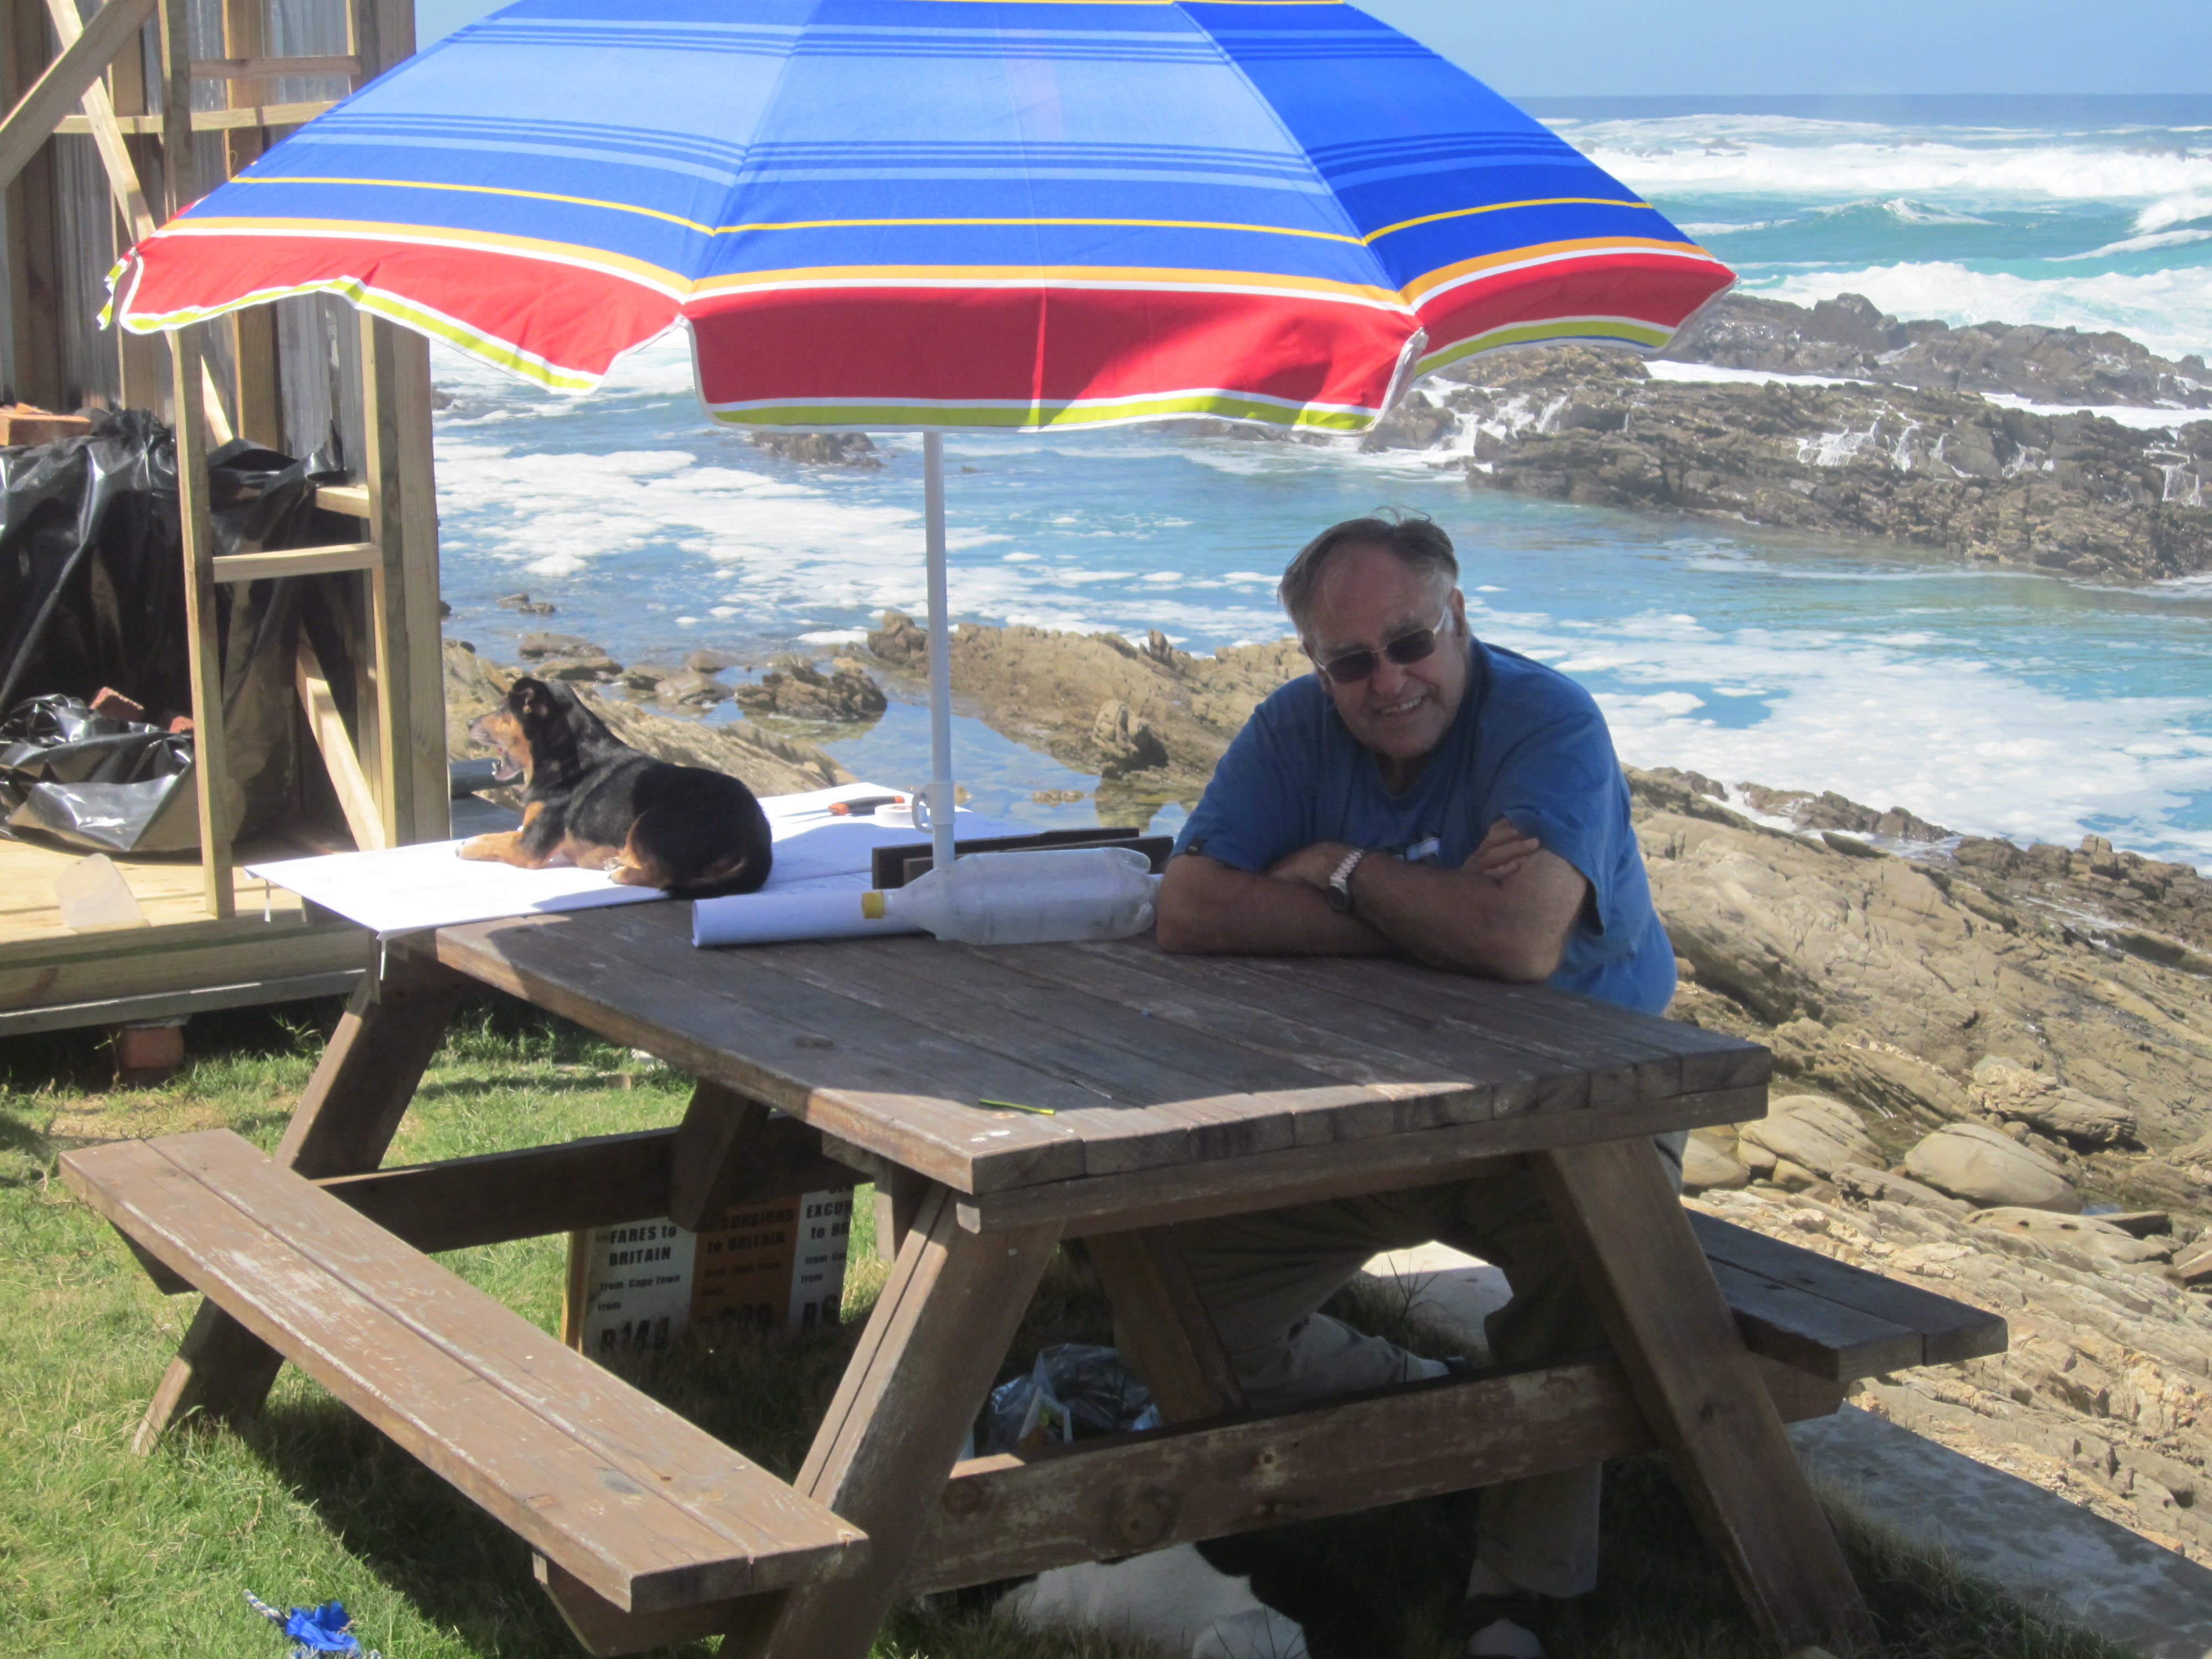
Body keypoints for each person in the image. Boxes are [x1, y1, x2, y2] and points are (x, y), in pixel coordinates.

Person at [1154, 512, 1679, 1659]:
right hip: (1379, 1107)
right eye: (1351, 661)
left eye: (1409, 643)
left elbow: (1517, 942)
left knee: (1595, 1259)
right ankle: (1428, 1396)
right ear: (1316, 664)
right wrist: (1424, 917)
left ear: (1459, 616)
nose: (1388, 682)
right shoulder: (1294, 728)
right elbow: (1188, 908)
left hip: (1588, 1108)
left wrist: (1338, 869)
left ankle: (1518, 1588)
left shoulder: (1548, 722)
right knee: (1178, 1303)